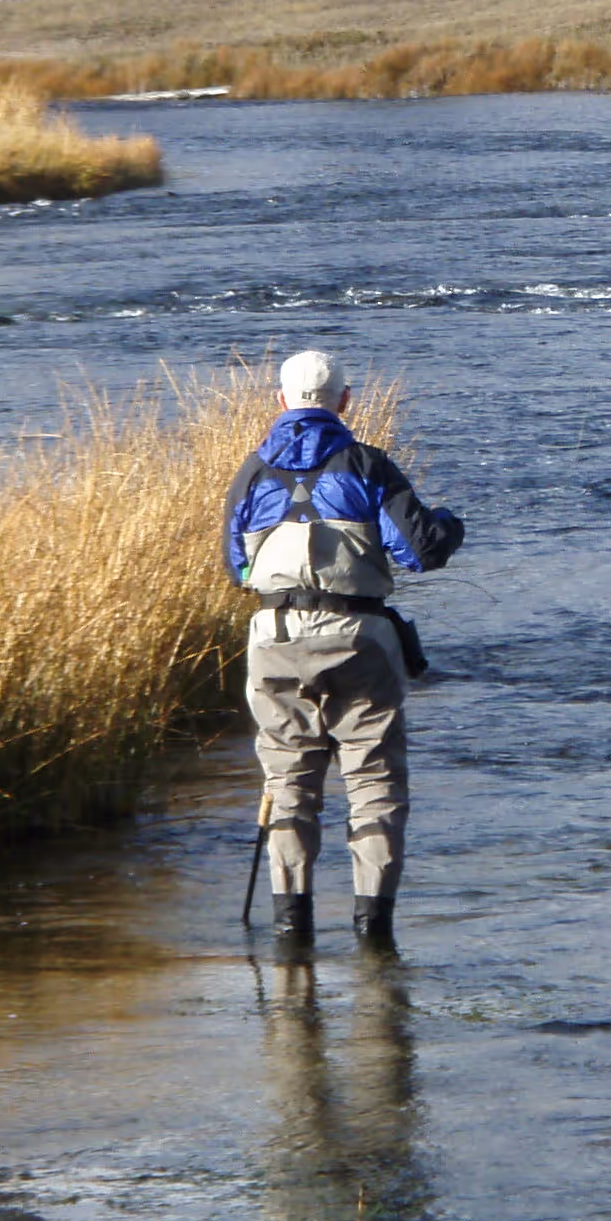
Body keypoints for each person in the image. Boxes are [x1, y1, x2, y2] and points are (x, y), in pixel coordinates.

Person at [223, 349, 463, 949]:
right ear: (346, 402)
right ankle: (373, 935)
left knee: (288, 783)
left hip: (274, 641)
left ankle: (290, 930)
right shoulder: (367, 466)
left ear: (280, 402)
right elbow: (423, 549)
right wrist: (450, 521)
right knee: (374, 784)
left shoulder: (251, 474)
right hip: (360, 641)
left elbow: (238, 567)